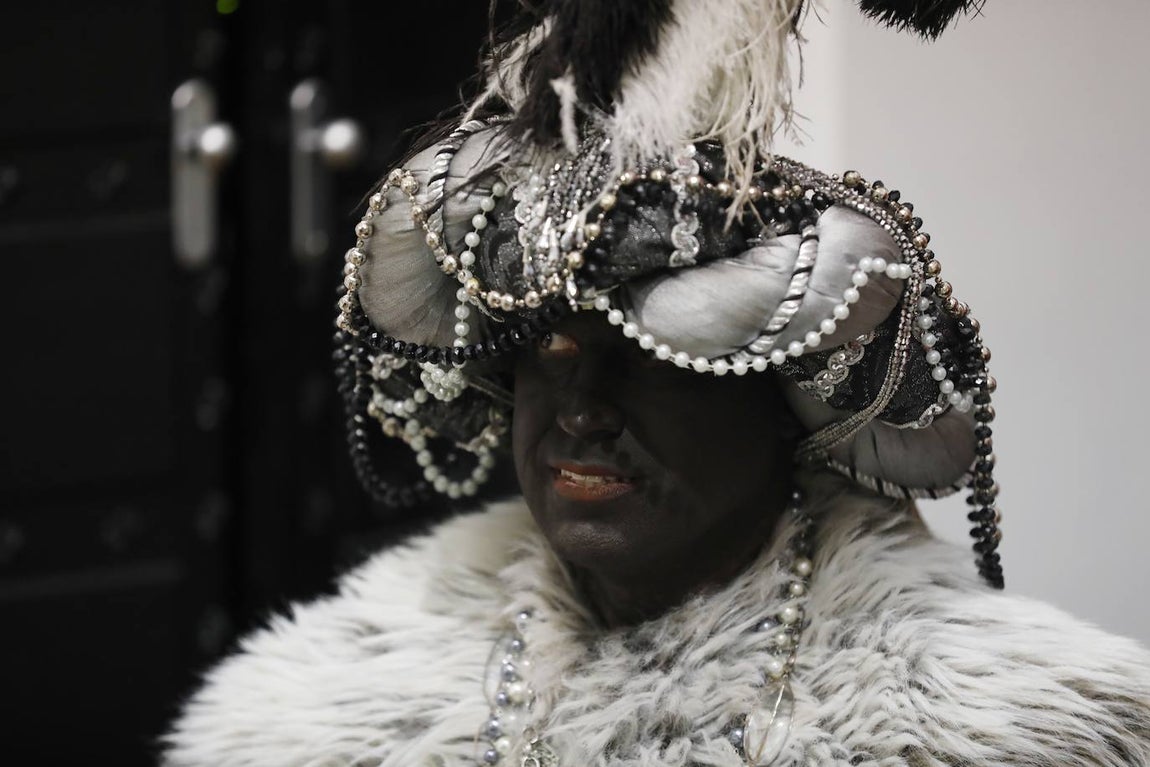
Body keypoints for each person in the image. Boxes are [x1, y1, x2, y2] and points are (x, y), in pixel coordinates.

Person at [163, 1, 1150, 764]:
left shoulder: (1007, 730)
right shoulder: (318, 714)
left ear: (781, 403)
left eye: (651, 363)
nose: (581, 411)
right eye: (546, 352)